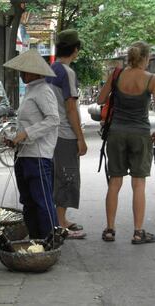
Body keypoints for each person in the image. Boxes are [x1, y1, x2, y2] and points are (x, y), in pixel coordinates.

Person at [98, 41, 155, 243]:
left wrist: (111, 83)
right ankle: (138, 232)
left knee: (114, 182)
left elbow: (100, 99)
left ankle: (109, 230)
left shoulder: (117, 74)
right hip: (140, 134)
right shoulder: (151, 79)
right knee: (138, 184)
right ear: (146, 58)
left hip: (116, 133)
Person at [3, 49, 59, 239]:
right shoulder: (30, 91)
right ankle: (36, 239)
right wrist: (15, 138)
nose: (21, 74)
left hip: (38, 155)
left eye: (24, 71)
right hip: (24, 154)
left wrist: (26, 134)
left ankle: (50, 240)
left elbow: (53, 119)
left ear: (35, 72)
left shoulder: (44, 91)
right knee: (28, 200)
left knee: (42, 201)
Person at [45, 29, 87, 239]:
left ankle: (61, 219)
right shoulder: (67, 73)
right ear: (75, 49)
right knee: (67, 177)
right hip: (65, 133)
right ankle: (61, 224)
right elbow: (70, 108)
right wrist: (81, 138)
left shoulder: (51, 69)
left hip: (52, 133)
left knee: (57, 176)